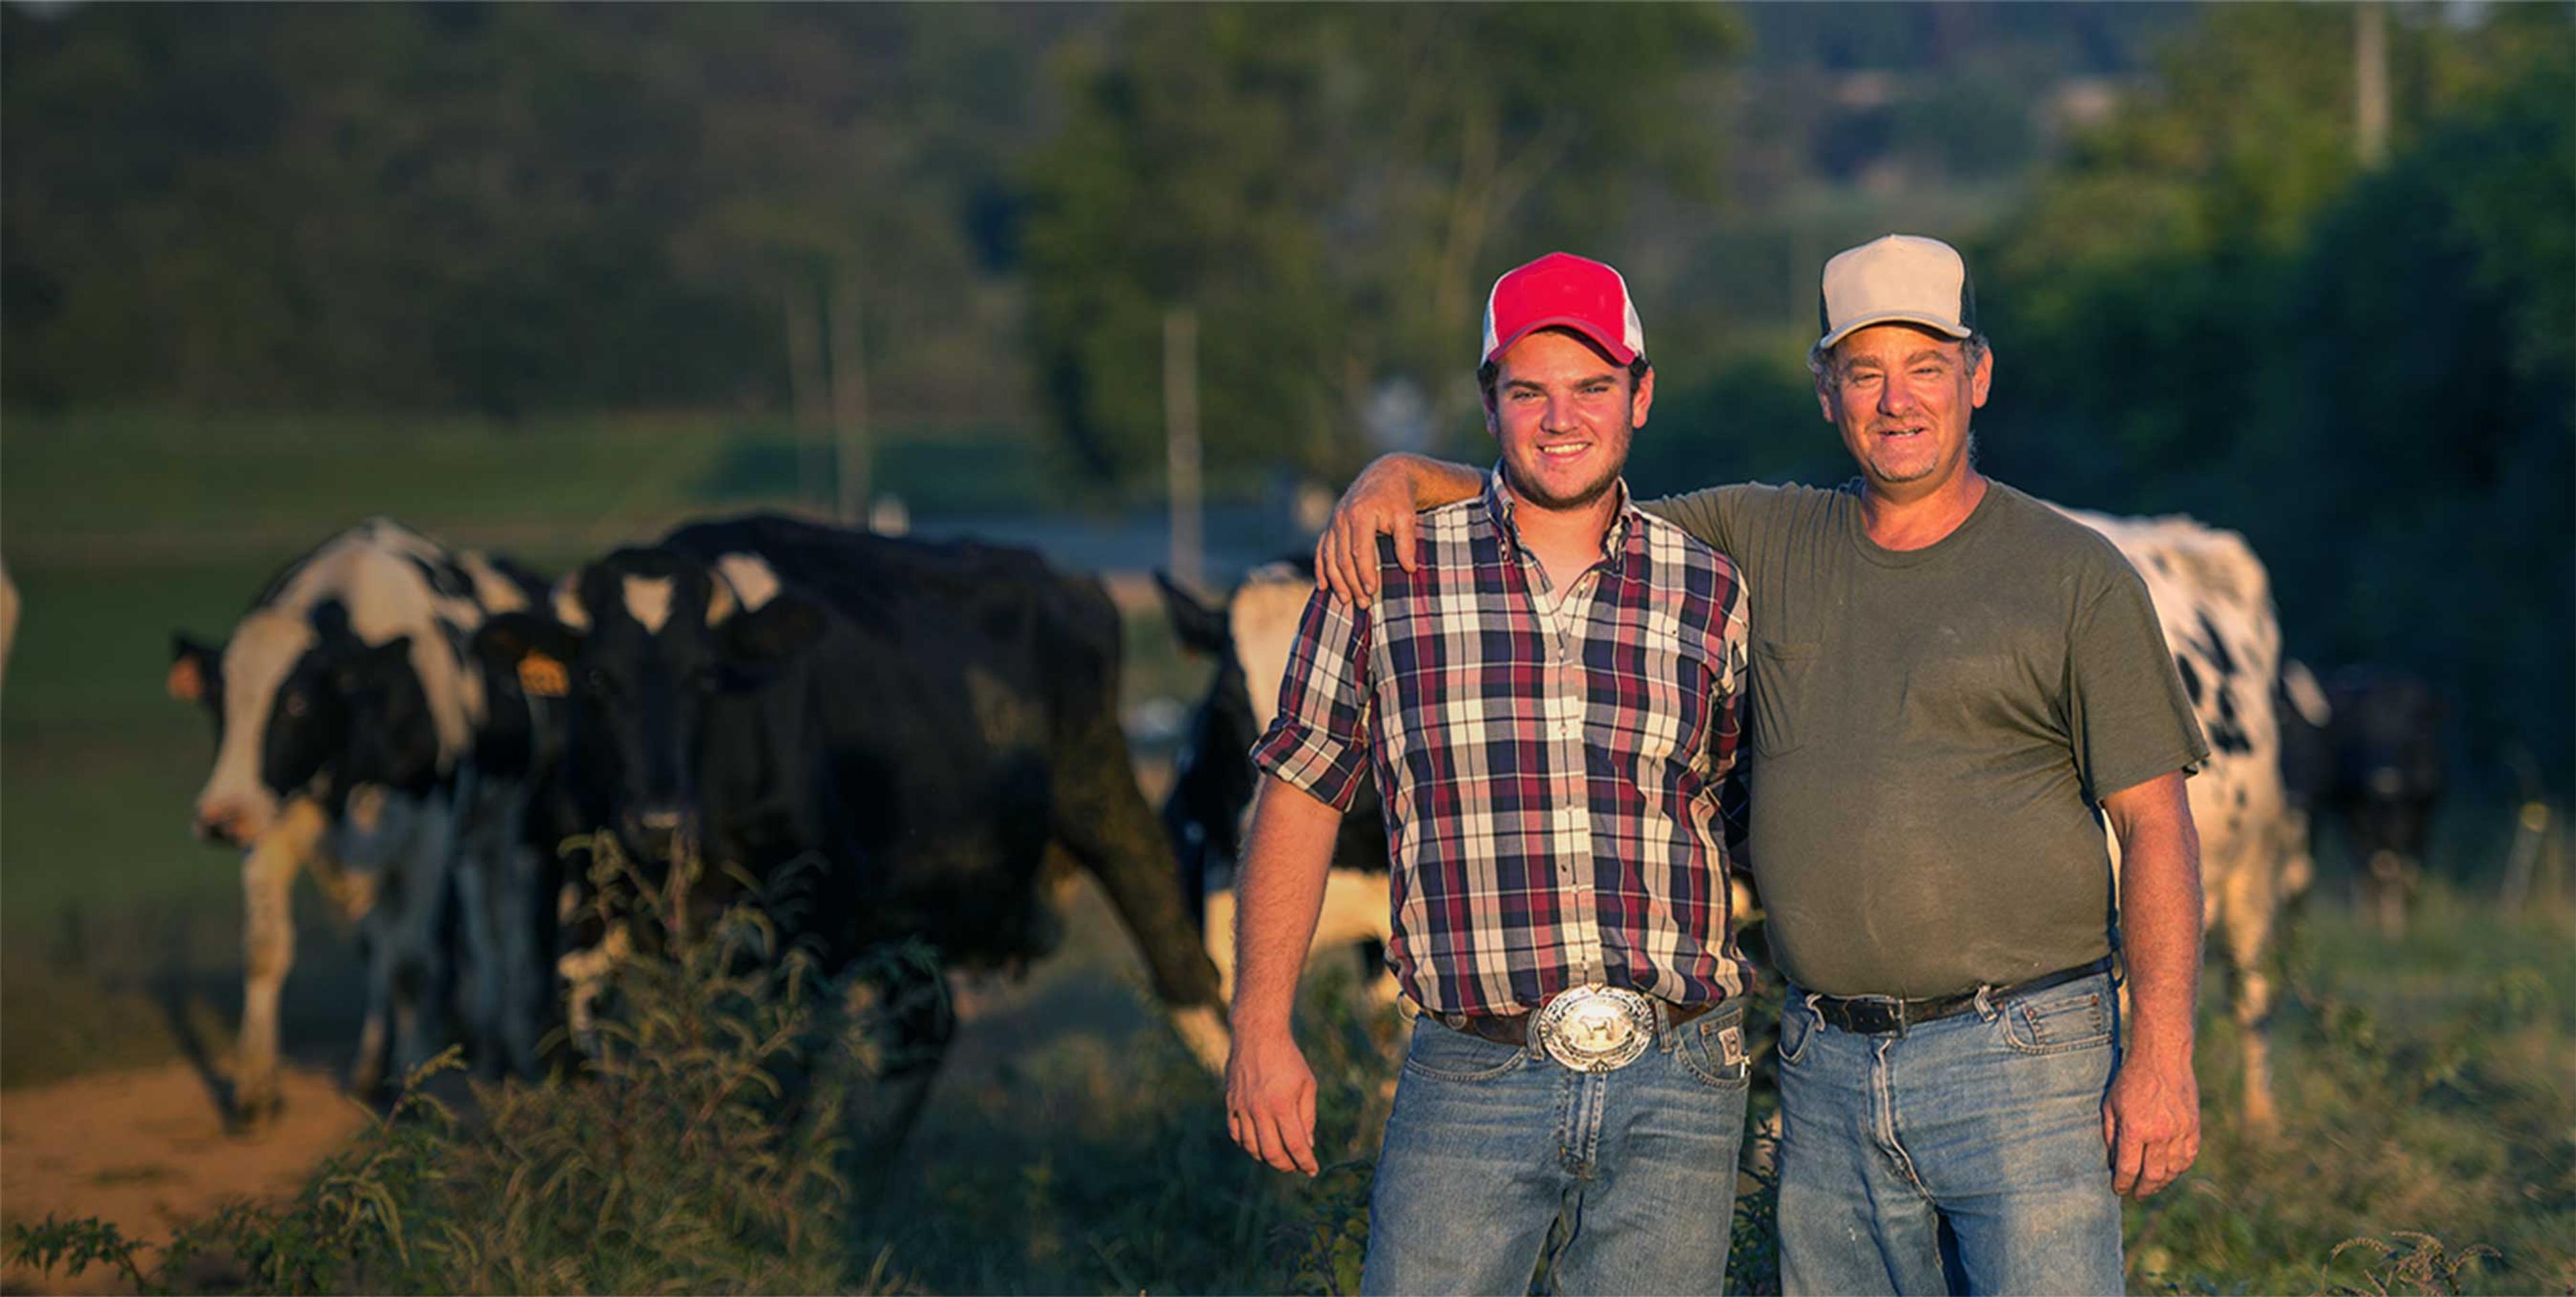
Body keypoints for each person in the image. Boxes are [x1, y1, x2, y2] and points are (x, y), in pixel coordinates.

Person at [1315, 234, 2206, 1295]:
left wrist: (2161, 1051)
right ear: (1825, 389)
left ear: (1978, 376)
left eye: (1926, 366)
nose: (1898, 400)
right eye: (1865, 371)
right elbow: (1568, 490)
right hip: (1826, 1064)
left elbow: (2156, 823)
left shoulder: (2075, 575)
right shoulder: (1758, 536)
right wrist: (1402, 474)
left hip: (2022, 1051)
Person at [1224, 251, 1757, 1295]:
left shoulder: (1711, 586)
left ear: (1640, 396)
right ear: (1489, 404)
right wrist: (1260, 1023)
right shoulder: (1384, 568)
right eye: (1530, 392)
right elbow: (1300, 788)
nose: (1563, 419)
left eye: (1593, 388)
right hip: (1474, 1067)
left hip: (1681, 1072)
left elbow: (1728, 795)